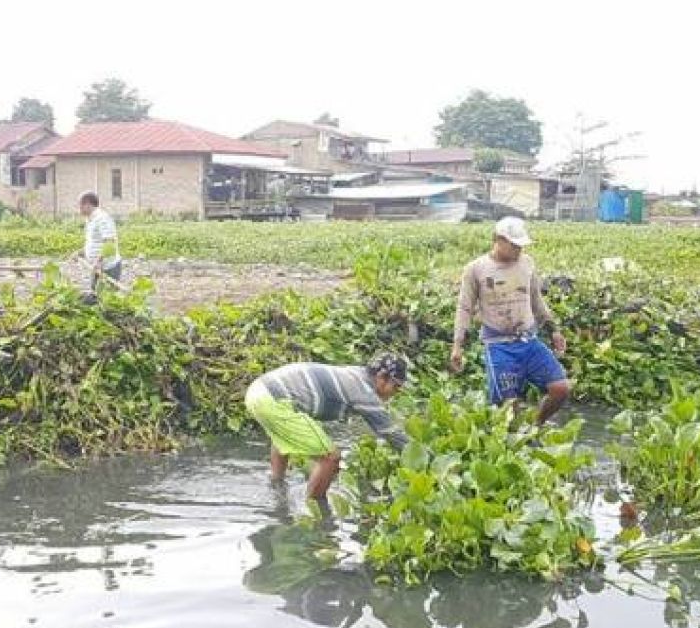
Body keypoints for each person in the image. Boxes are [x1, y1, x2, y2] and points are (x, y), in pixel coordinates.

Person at [244, 354, 409, 507]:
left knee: (284, 436)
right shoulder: (364, 393)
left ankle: (276, 484)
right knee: (330, 457)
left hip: (258, 391)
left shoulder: (355, 374)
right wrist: (427, 459)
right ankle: (316, 511)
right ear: (381, 378)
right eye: (396, 387)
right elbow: (392, 434)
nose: (396, 392)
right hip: (272, 400)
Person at [450, 216, 570, 425]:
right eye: (514, 246)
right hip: (498, 346)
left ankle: (536, 425)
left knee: (560, 388)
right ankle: (511, 443)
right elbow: (465, 307)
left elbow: (536, 300)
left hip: (529, 341)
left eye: (521, 246)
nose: (518, 250)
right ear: (498, 240)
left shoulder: (527, 263)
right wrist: (458, 345)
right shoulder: (476, 268)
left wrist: (554, 330)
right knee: (508, 407)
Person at [76, 191, 122, 294]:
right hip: (96, 267)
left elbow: (109, 244)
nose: (78, 209)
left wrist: (99, 261)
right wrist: (81, 252)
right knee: (96, 297)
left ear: (87, 204)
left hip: (108, 268)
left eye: (79, 205)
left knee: (107, 299)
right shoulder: (90, 220)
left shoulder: (102, 218)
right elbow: (95, 242)